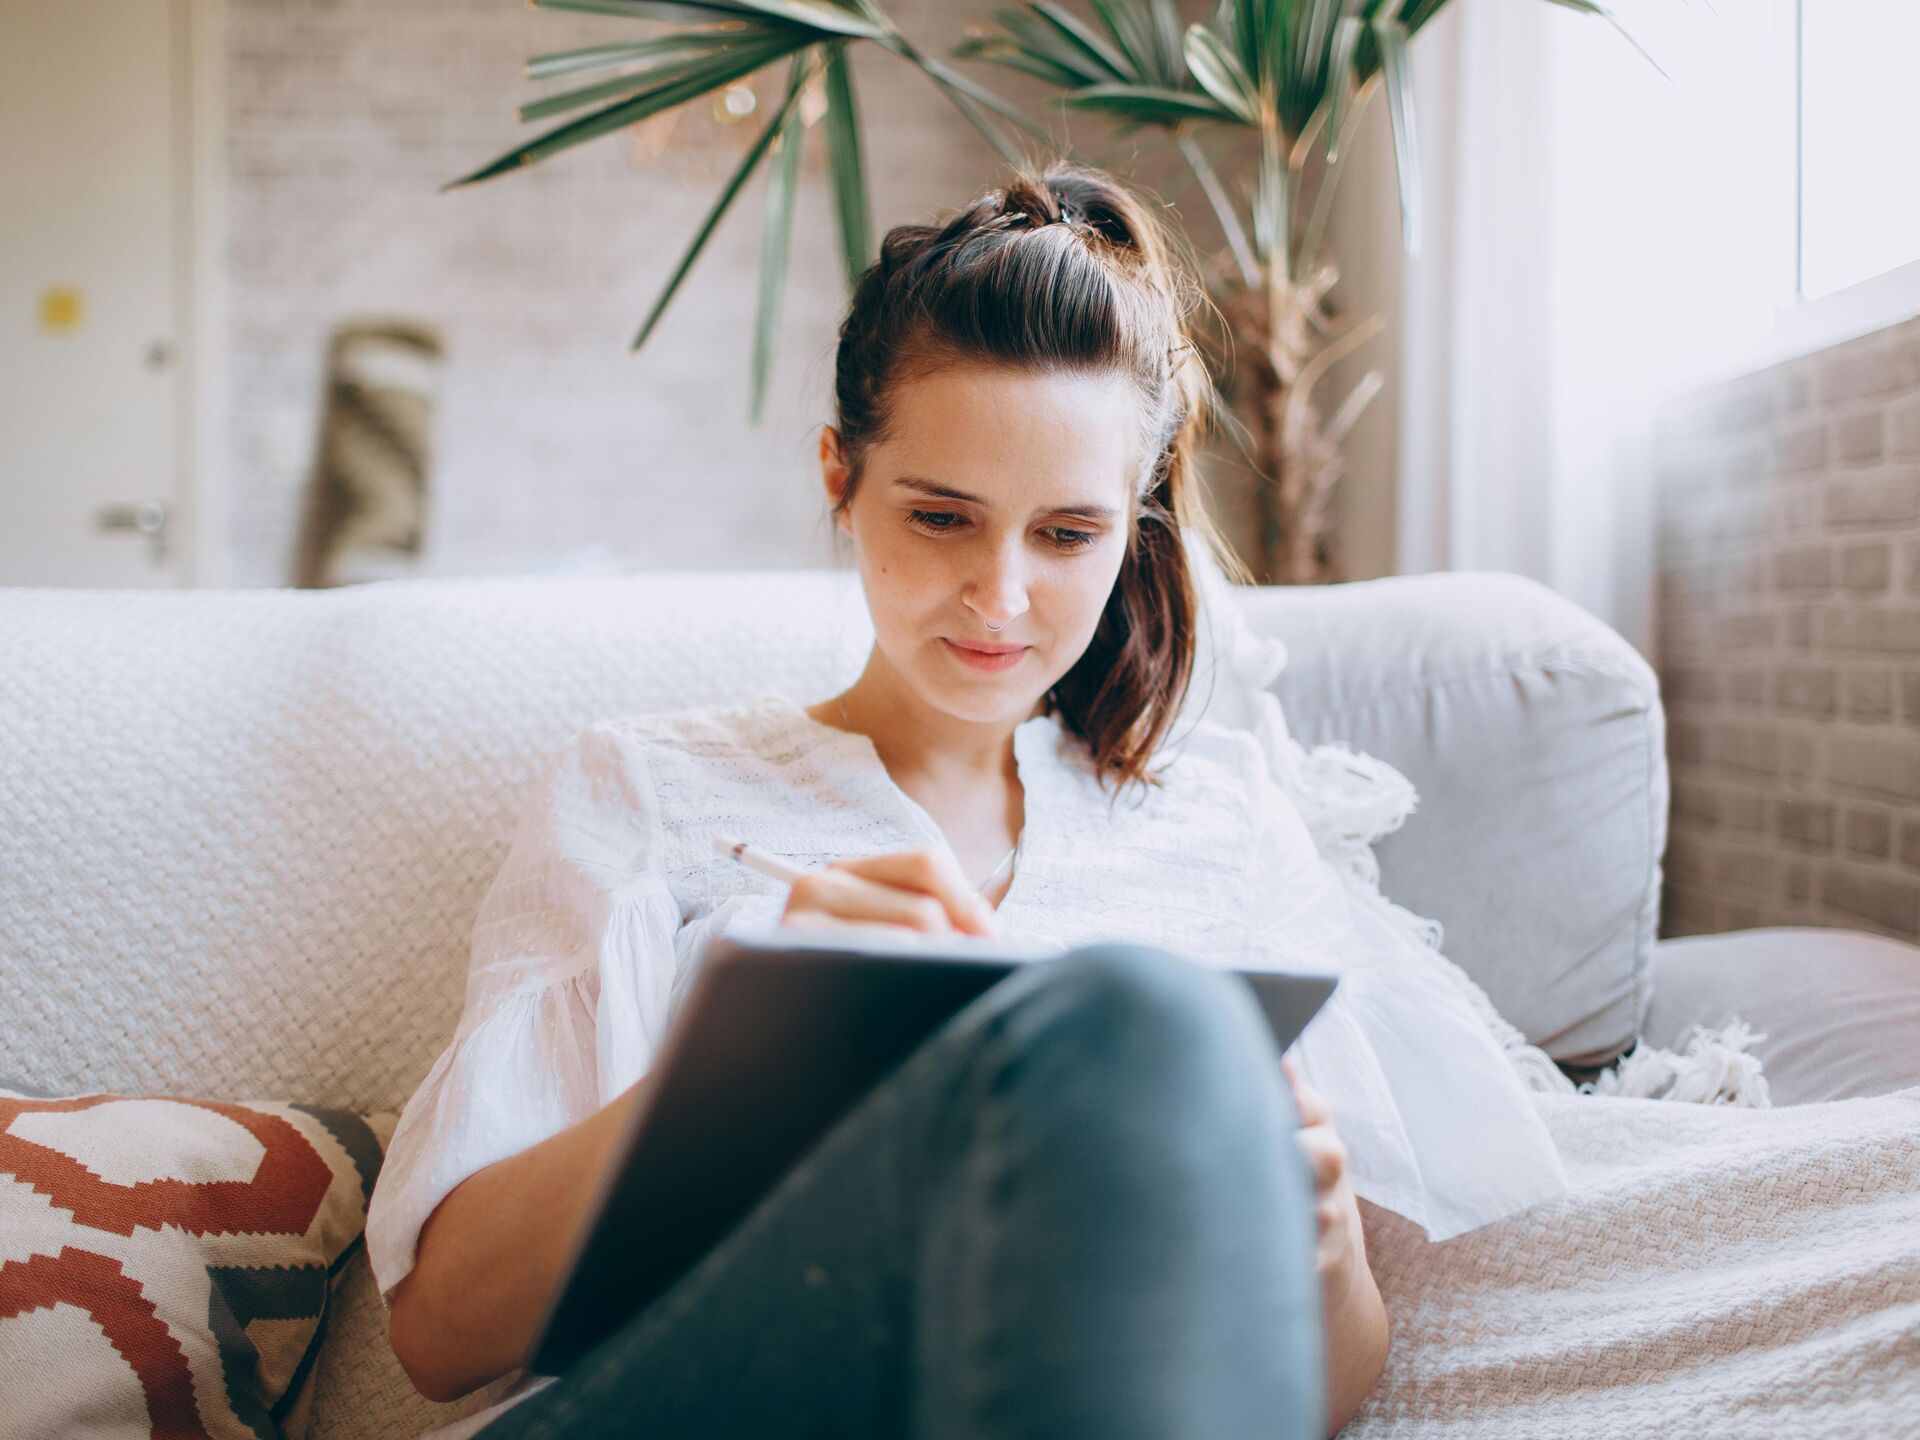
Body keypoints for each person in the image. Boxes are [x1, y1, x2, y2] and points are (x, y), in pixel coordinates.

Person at [367, 160, 1566, 1440]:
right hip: (702, 1400)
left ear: (1136, 521)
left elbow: (1309, 1401)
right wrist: (754, 1063)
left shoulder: (1219, 821)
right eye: (942, 518)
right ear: (841, 475)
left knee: (1143, 1018)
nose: (1000, 598)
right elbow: (439, 1337)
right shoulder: (651, 787)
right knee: (1133, 1010)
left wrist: (1322, 1252)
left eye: (1065, 535)